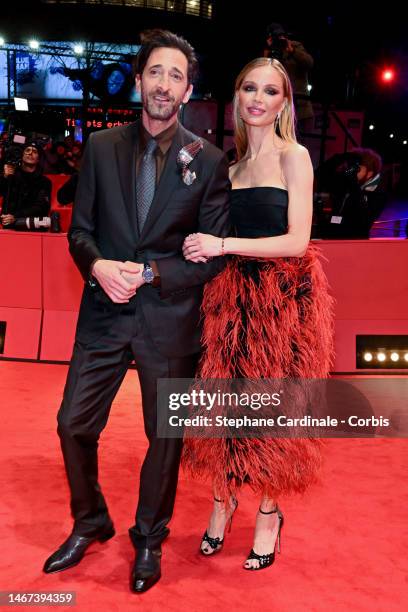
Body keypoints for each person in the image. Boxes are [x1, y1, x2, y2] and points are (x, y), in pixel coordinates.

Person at [42, 29, 230, 593]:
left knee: (164, 437)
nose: (164, 84)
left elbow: (211, 258)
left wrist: (150, 273)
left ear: (188, 89)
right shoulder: (100, 147)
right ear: (139, 79)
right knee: (72, 423)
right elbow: (81, 232)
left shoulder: (211, 160)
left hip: (169, 320)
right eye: (156, 72)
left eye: (176, 75)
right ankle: (90, 519)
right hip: (103, 311)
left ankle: (149, 537)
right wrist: (98, 266)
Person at [182, 57, 333, 571]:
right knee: (223, 413)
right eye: (249, 87)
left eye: (270, 91)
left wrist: (221, 242)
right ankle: (222, 504)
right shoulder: (229, 165)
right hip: (229, 303)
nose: (257, 98)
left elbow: (295, 241)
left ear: (283, 103)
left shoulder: (296, 157)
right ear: (237, 96)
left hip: (282, 304)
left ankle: (269, 514)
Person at [316, 148, 386, 239]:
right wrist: (340, 157)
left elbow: (362, 221)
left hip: (354, 244)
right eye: (350, 166)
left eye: (357, 168)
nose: (351, 170)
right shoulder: (344, 184)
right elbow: (320, 174)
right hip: (331, 239)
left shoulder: (377, 194)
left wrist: (353, 181)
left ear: (369, 173)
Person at [264, 23, 314, 127]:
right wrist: (269, 52)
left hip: (300, 108)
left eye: (282, 36)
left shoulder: (295, 46)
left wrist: (293, 51)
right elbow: (264, 73)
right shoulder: (270, 51)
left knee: (299, 141)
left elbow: (309, 63)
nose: (280, 39)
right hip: (277, 109)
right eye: (277, 37)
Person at [0, 143, 51, 228]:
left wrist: (15, 216)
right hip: (8, 224)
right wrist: (4, 177)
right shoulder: (11, 176)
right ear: (22, 155)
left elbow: (41, 207)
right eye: (27, 150)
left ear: (38, 159)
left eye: (34, 151)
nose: (30, 153)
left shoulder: (45, 182)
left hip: (33, 226)